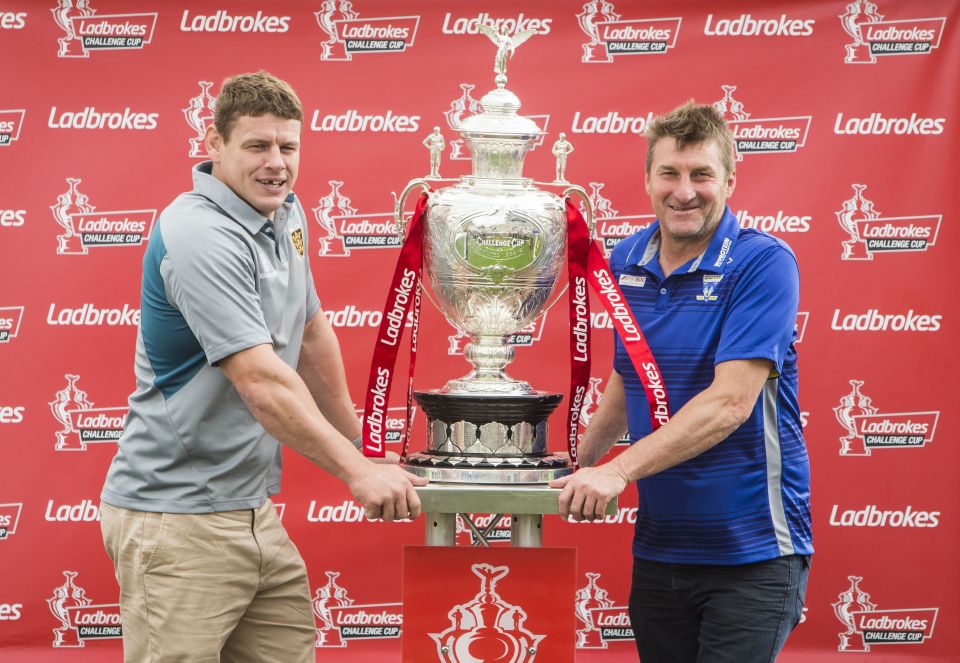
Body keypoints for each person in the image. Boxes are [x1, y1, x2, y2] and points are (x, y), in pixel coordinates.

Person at [99, 71, 427, 662]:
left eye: (288, 147)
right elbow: (261, 382)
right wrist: (357, 471)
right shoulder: (199, 232)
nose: (276, 163)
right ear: (213, 144)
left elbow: (308, 331)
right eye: (256, 146)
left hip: (252, 511)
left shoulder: (285, 213)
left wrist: (361, 441)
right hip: (176, 521)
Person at [551, 101, 812, 662]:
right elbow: (628, 378)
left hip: (754, 555)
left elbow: (730, 403)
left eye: (702, 175)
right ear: (648, 178)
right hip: (661, 551)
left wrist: (617, 470)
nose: (684, 191)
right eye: (669, 173)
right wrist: (577, 464)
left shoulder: (762, 262)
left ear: (730, 181)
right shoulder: (625, 259)